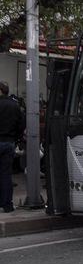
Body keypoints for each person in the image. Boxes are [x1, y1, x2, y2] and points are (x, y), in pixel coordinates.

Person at [0, 81, 25, 213]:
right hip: (9, 143)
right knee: (6, 175)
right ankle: (7, 205)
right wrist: (16, 138)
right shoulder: (15, 106)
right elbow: (22, 123)